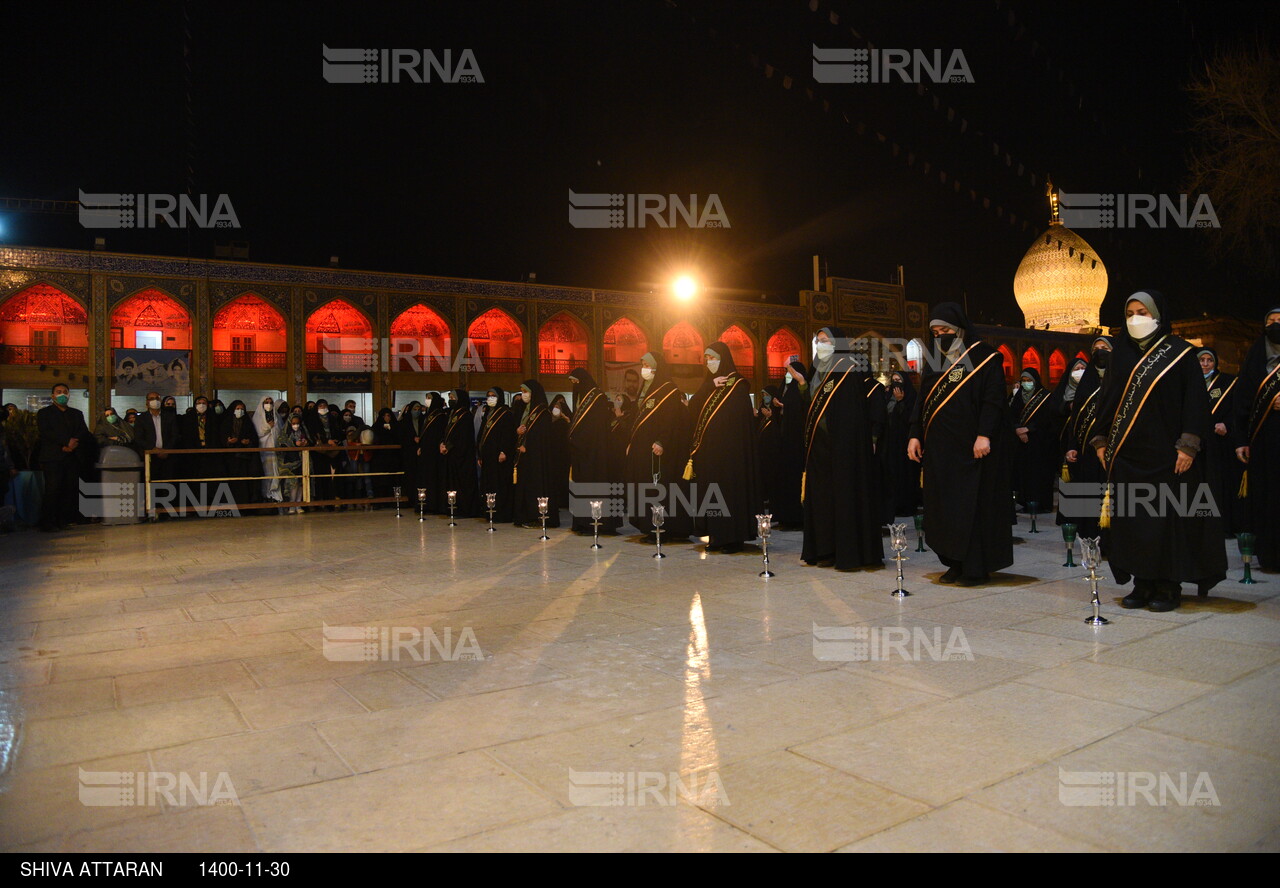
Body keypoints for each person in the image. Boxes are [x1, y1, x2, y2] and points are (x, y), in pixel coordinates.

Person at [1090, 290, 1226, 610]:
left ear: (1157, 315)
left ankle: (1167, 586)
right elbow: (1106, 403)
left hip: (1168, 456)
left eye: (1143, 311)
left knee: (1166, 523)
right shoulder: (1120, 354)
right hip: (1128, 455)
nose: (1136, 318)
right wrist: (1100, 441)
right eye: (1130, 313)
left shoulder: (1180, 353)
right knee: (1133, 522)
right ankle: (1142, 582)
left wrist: (1188, 446)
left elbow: (1195, 402)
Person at [908, 303, 1014, 585]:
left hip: (972, 449)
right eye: (935, 331)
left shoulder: (984, 356)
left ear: (961, 330)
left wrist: (984, 434)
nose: (940, 335)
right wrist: (914, 434)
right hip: (940, 451)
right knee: (944, 507)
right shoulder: (935, 359)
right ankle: (953, 562)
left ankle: (975, 567)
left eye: (946, 330)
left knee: (971, 507)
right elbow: (922, 402)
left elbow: (994, 399)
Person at [796, 329, 884, 570]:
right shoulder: (817, 370)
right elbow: (812, 406)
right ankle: (825, 549)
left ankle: (846, 552)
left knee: (843, 498)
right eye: (818, 342)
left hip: (843, 448)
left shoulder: (850, 368)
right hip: (819, 448)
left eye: (825, 341)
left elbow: (853, 412)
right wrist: (803, 384)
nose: (820, 345)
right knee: (823, 500)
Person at [685, 343, 760, 553]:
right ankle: (716, 537)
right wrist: (709, 385)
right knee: (712, 495)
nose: (709, 362)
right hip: (710, 454)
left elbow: (737, 420)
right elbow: (693, 409)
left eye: (713, 358)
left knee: (729, 495)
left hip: (730, 453)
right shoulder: (709, 385)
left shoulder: (738, 385)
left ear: (723, 358)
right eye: (706, 359)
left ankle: (733, 538)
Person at [623, 352, 691, 540]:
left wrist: (662, 440)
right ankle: (649, 526)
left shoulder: (668, 390)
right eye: (642, 364)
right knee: (645, 488)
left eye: (647, 364)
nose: (644, 368)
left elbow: (670, 420)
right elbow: (638, 421)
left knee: (658, 490)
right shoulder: (647, 389)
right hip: (643, 450)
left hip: (658, 451)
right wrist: (632, 442)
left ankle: (663, 528)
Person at [1235, 307, 1280, 572]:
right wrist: (1240, 439)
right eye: (1271, 321)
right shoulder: (1254, 357)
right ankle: (1270, 555)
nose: (1275, 325)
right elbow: (1242, 400)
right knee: (1266, 496)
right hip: (1263, 441)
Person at [1061, 338, 1112, 539]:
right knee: (1089, 492)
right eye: (1096, 349)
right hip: (1086, 449)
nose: (1100, 352)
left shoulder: (1121, 376)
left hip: (1113, 446)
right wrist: (1072, 446)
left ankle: (1112, 540)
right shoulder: (1086, 380)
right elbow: (1076, 418)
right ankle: (1090, 536)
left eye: (1105, 348)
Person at [566, 368, 620, 535]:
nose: (575, 386)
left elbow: (596, 428)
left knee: (596, 488)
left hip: (596, 453)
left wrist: (580, 440)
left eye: (576, 382)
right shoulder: (583, 400)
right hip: (582, 454)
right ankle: (583, 523)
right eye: (573, 383)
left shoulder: (598, 398)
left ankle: (596, 523)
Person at [1197, 348, 1242, 536]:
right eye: (1202, 360)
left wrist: (1228, 425)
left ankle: (1224, 527)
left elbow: (1237, 412)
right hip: (1198, 445)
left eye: (1209, 360)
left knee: (1220, 484)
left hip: (1220, 444)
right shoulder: (1189, 382)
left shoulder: (1227, 383)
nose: (1206, 364)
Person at [36, 383, 92, 531]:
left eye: (65, 392)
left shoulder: (76, 413)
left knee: (69, 489)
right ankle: (48, 522)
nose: (62, 394)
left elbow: (83, 431)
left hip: (72, 457)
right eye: (58, 392)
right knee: (53, 489)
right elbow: (46, 433)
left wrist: (73, 443)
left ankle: (63, 520)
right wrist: (65, 443)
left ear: (68, 395)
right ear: (53, 395)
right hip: (53, 457)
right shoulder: (44, 413)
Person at [511, 380, 560, 528]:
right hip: (525, 458)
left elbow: (542, 437)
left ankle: (538, 517)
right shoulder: (527, 410)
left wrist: (529, 447)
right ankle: (526, 516)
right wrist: (517, 432)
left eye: (526, 392)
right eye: (522, 392)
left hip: (538, 458)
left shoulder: (543, 413)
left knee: (536, 487)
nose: (523, 395)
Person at [1008, 369, 1056, 513]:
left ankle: (1041, 504)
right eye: (1023, 380)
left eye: (1029, 380)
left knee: (1039, 475)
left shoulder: (1045, 397)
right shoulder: (1017, 397)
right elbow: (1010, 416)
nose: (1026, 383)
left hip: (1040, 443)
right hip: (1021, 445)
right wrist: (1017, 429)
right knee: (1024, 474)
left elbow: (1049, 419)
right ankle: (1025, 502)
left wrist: (1029, 429)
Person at [880, 371, 921, 519]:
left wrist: (901, 402)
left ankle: (908, 505)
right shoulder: (887, 395)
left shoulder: (912, 397)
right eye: (894, 380)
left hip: (907, 442)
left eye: (899, 380)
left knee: (907, 474)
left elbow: (909, 418)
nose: (896, 383)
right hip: (891, 444)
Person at [440, 388, 481, 517]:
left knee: (463, 484)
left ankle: (464, 509)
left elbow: (463, 438)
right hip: (451, 455)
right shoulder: (453, 414)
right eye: (450, 397)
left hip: (462, 457)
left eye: (453, 397)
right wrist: (442, 443)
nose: (451, 400)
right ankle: (453, 507)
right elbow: (447, 433)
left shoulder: (465, 415)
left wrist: (449, 446)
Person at [476, 387, 516, 522]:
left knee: (500, 484)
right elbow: (482, 435)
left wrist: (504, 450)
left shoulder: (505, 413)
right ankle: (489, 510)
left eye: (493, 395)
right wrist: (480, 454)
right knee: (488, 484)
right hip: (487, 457)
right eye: (488, 395)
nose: (490, 398)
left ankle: (501, 513)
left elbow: (508, 434)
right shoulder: (488, 412)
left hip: (499, 457)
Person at [221, 400, 259, 511]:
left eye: (242, 409)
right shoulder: (227, 422)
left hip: (244, 458)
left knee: (243, 483)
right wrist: (228, 441)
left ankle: (244, 507)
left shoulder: (247, 422)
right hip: (230, 458)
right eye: (237, 409)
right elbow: (222, 437)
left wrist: (248, 442)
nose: (240, 411)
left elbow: (254, 438)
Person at [306, 399, 344, 505]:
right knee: (320, 476)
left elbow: (338, 432)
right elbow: (312, 434)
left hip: (332, 451)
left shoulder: (332, 419)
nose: (323, 408)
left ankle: (332, 500)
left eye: (324, 406)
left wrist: (335, 440)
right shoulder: (312, 419)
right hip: (319, 453)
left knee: (333, 477)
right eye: (320, 406)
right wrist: (326, 441)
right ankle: (320, 501)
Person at [417, 393, 449, 512]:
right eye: (427, 398)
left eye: (430, 398)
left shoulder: (440, 415)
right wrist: (421, 446)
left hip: (435, 453)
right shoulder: (428, 415)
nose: (427, 400)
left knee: (434, 478)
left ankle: (434, 504)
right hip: (426, 452)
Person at [252, 395, 282, 505]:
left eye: (270, 402)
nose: (268, 404)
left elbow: (279, 431)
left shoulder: (276, 417)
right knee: (265, 472)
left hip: (275, 449)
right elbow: (257, 433)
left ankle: (275, 494)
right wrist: (268, 427)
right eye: (266, 402)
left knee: (275, 471)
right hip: (263, 449)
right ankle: (265, 494)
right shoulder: (257, 417)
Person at [548, 394, 573, 511]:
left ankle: (564, 500)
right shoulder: (548, 422)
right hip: (551, 456)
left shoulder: (565, 422)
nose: (557, 408)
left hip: (563, 456)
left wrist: (567, 421)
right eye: (555, 405)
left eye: (560, 405)